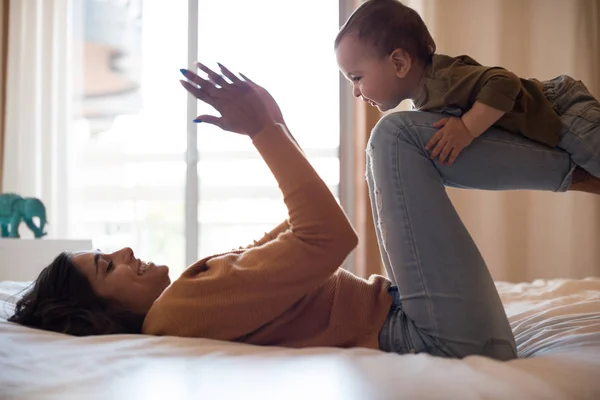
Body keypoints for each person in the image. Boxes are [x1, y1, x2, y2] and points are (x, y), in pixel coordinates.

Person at [9, 62, 517, 361]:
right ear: (97, 314)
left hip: (421, 317)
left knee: (395, 142)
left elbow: (312, 230)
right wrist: (261, 131)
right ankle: (574, 162)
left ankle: (570, 159)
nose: (122, 251)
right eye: (106, 266)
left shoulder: (189, 297)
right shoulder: (179, 310)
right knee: (393, 138)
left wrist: (274, 124)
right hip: (432, 334)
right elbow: (330, 238)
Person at [335, 0, 600, 194]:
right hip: (549, 121)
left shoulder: (443, 80)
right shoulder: (424, 97)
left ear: (400, 63)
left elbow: (504, 81)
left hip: (561, 109)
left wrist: (466, 127)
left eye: (356, 78)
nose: (356, 91)